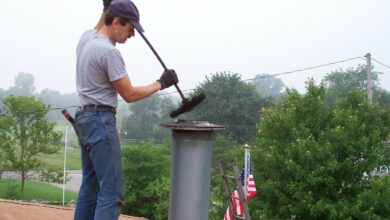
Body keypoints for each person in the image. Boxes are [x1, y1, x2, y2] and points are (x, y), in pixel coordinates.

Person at [73, 0, 178, 219]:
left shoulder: (87, 40)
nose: (132, 35)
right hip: (100, 120)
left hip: (84, 118)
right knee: (112, 192)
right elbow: (129, 95)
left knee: (90, 188)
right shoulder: (110, 53)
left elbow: (99, 24)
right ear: (117, 22)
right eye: (131, 29)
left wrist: (106, 7)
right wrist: (161, 83)